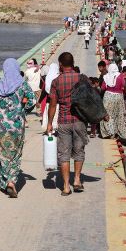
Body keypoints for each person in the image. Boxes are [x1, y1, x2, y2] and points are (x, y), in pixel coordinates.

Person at [0, 58, 36, 198]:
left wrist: (0, 104)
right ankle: (11, 182)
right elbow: (32, 100)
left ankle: (4, 182)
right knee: (15, 153)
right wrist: (23, 111)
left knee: (2, 153)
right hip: (17, 124)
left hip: (0, 125)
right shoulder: (22, 84)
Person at [47, 52, 88, 196]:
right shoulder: (82, 79)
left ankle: (66, 186)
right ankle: (76, 180)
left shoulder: (56, 81)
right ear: (73, 62)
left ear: (60, 64)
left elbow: (52, 104)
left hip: (64, 121)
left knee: (63, 154)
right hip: (80, 121)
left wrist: (49, 123)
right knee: (79, 151)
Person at [100, 63, 126, 139]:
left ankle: (109, 132)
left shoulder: (106, 77)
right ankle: (117, 132)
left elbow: (102, 88)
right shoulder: (120, 76)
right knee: (118, 115)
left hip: (108, 96)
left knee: (108, 114)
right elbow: (124, 86)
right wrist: (125, 94)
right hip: (118, 96)